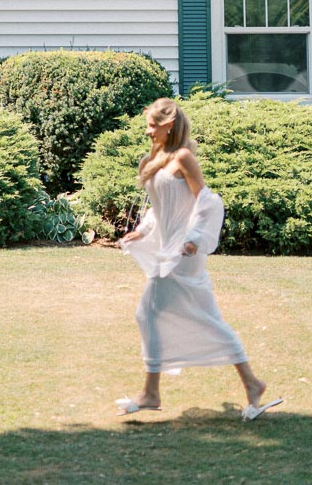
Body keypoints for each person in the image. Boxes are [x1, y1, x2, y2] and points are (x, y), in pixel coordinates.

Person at [117, 97, 281, 421]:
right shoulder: (156, 157)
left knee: (148, 312)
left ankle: (151, 392)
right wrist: (143, 230)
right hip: (168, 245)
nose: (148, 131)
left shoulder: (184, 158)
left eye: (153, 125)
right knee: (200, 316)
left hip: (184, 252)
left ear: (170, 125)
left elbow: (206, 203)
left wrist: (193, 241)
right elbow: (160, 206)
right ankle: (252, 383)